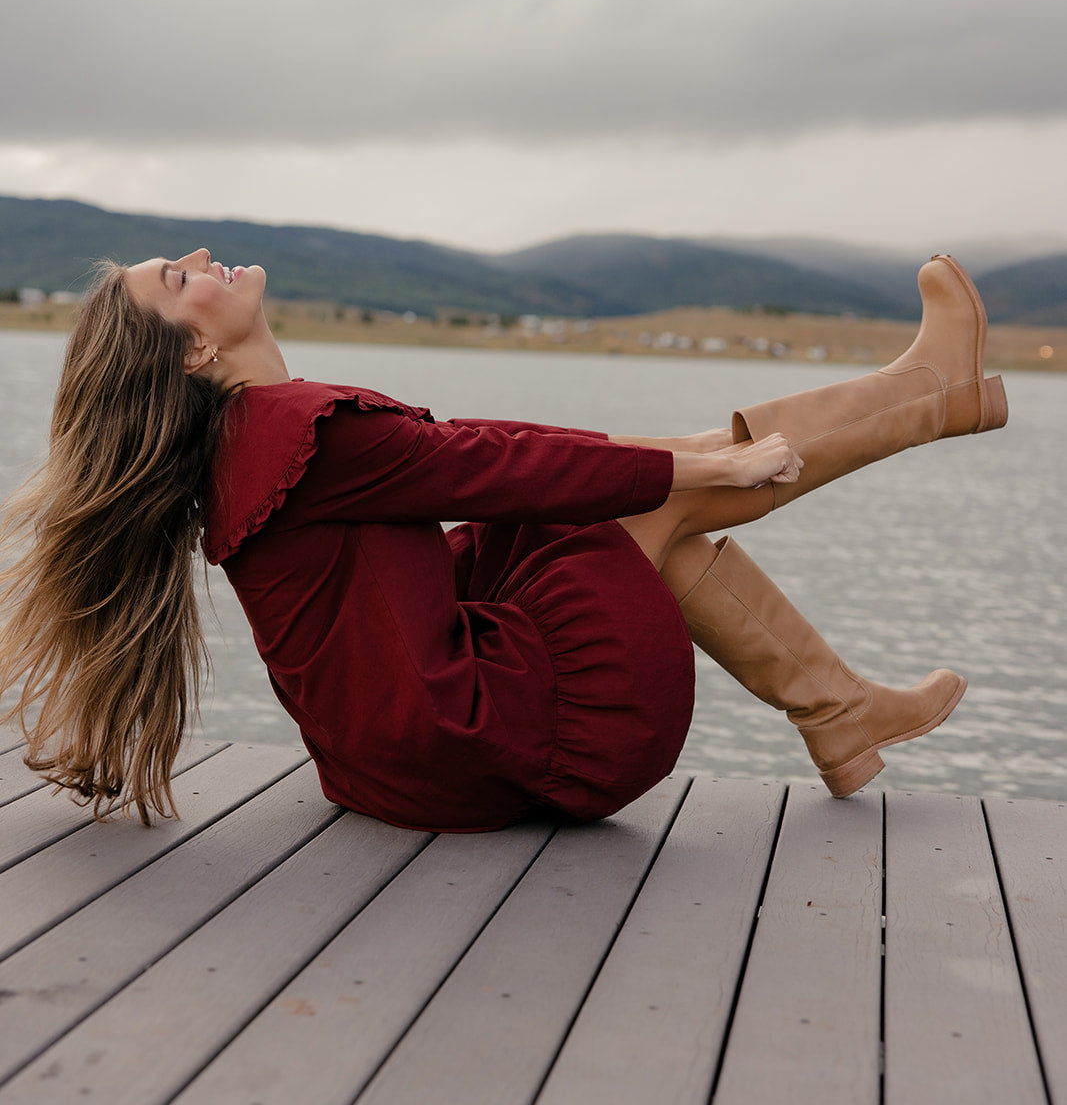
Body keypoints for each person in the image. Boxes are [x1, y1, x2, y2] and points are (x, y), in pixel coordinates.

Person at [0, 250, 1006, 830]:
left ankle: (837, 712)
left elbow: (486, 457)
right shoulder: (291, 431)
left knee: (612, 501)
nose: (203, 259)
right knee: (634, 500)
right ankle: (930, 395)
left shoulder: (262, 438)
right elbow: (498, 459)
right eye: (180, 276)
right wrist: (701, 465)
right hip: (477, 740)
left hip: (391, 762)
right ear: (198, 347)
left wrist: (691, 460)